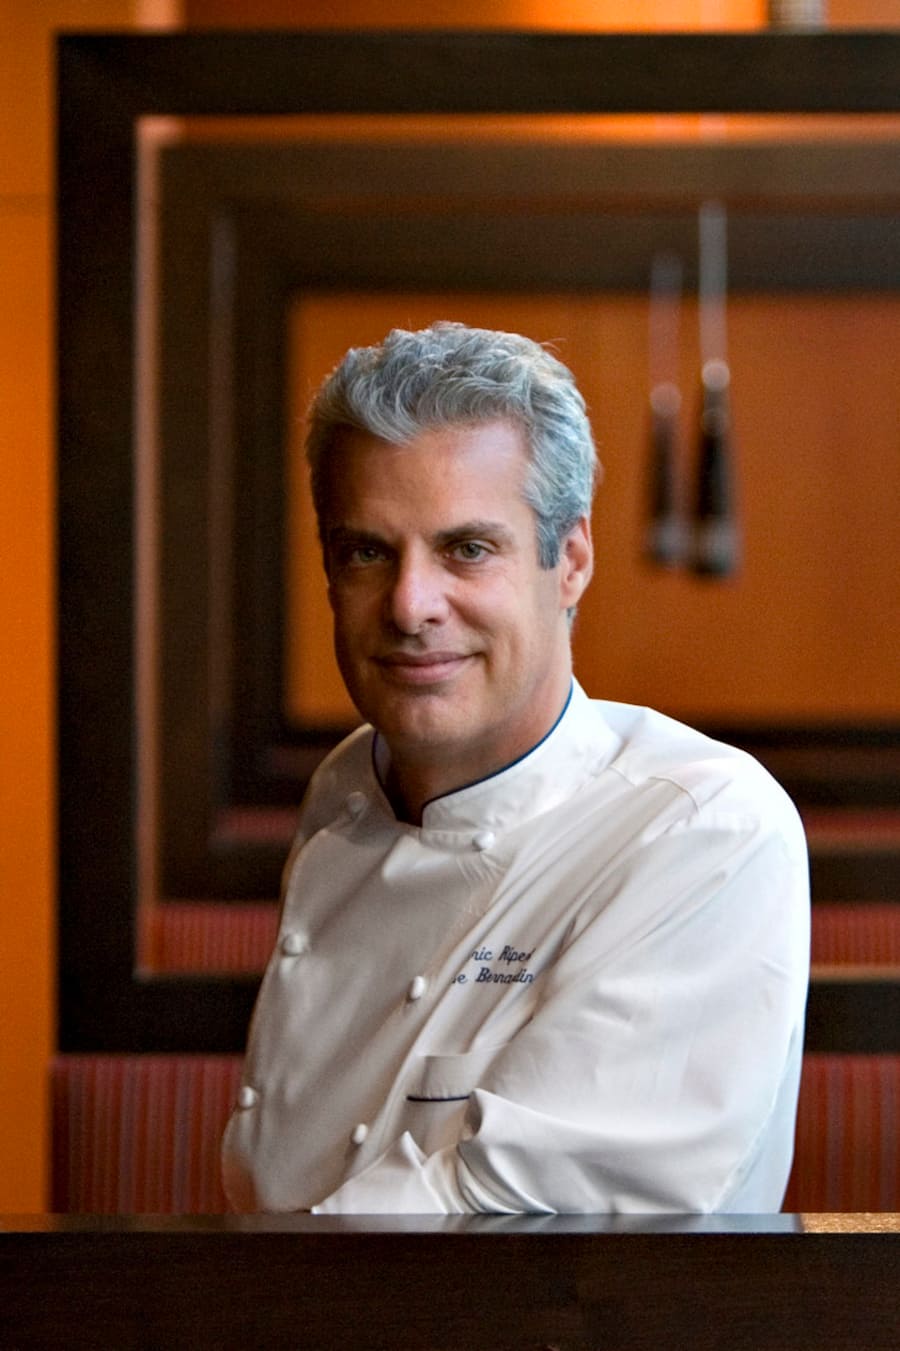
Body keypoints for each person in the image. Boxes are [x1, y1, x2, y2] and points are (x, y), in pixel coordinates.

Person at [222, 321, 809, 1214]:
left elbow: (525, 1217)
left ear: (569, 560)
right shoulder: (345, 786)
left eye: (467, 548)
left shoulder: (701, 827)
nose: (411, 605)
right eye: (368, 552)